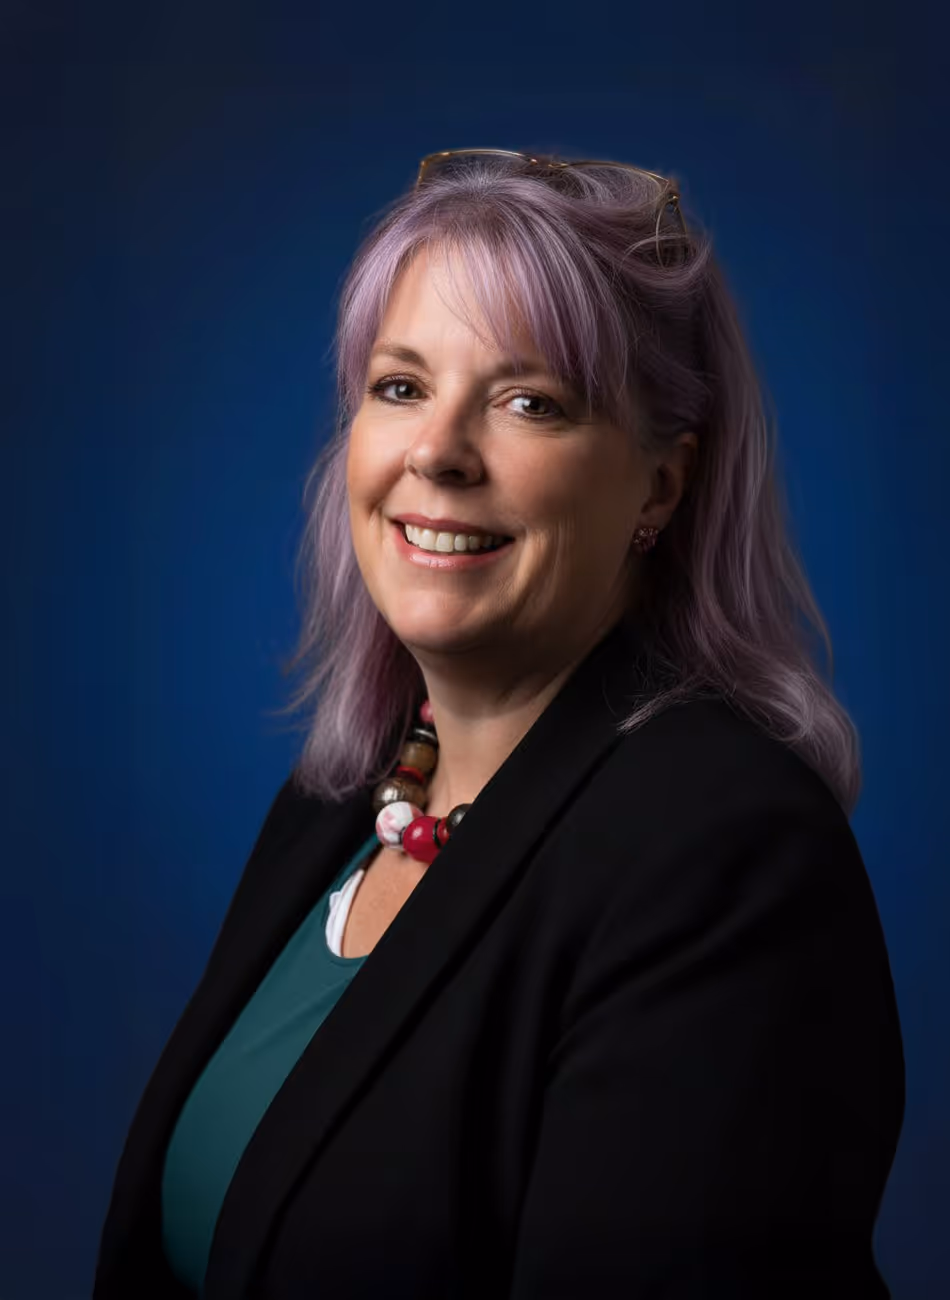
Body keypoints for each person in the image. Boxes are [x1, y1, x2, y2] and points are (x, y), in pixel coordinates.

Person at [94, 148, 904, 1299]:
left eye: (529, 401)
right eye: (400, 386)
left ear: (660, 488)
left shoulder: (723, 852)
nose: (435, 452)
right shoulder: (340, 799)